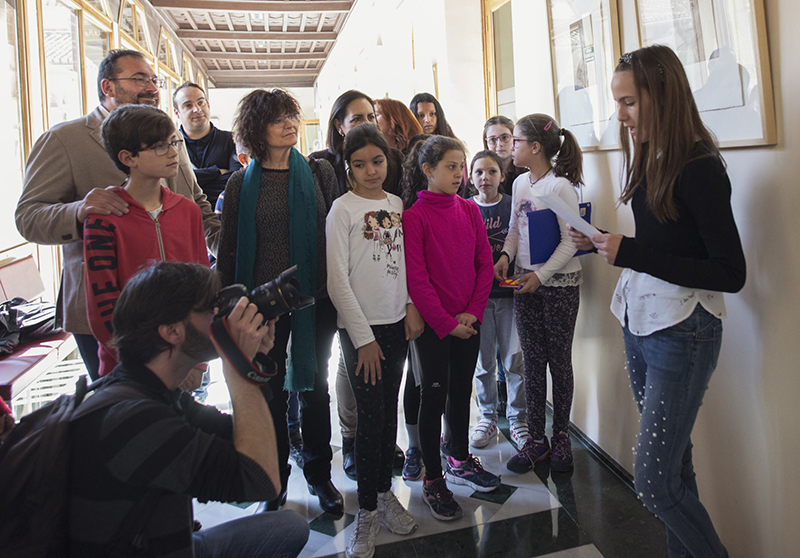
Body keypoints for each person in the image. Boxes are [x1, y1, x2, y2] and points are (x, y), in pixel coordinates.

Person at [569, 45, 746, 558]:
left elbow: (728, 273)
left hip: (683, 330)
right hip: (641, 319)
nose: (619, 117)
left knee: (652, 483)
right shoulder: (651, 155)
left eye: (627, 103)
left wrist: (632, 252)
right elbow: (666, 247)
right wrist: (603, 240)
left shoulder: (700, 166)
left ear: (661, 96)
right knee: (674, 471)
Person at [68, 261, 309, 558]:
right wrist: (236, 367)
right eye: (212, 307)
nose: (223, 315)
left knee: (288, 527)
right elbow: (262, 480)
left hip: (165, 540)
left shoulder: (153, 392)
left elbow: (249, 440)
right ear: (172, 331)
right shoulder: (134, 421)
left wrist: (252, 360)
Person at [15, 49, 219, 381]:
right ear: (108, 86)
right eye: (139, 79)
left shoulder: (169, 136)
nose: (152, 87)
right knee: (123, 414)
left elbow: (196, 203)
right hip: (104, 310)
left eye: (154, 79)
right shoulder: (65, 140)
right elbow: (28, 217)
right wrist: (78, 210)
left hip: (176, 307)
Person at [216, 88, 343, 514]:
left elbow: (334, 237)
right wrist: (227, 308)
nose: (290, 123)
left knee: (314, 389)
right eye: (278, 119)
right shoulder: (239, 183)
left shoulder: (318, 172)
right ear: (256, 130)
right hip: (262, 306)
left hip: (313, 299)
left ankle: (320, 475)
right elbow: (230, 247)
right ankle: (274, 482)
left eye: (292, 115)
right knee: (269, 393)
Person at [326, 124, 423, 558]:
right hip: (361, 332)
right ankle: (365, 512)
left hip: (396, 324)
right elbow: (336, 282)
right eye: (360, 164)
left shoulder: (398, 204)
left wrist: (410, 307)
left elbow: (404, 266)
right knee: (369, 419)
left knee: (388, 416)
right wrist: (362, 339)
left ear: (389, 161)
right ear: (348, 168)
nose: (371, 171)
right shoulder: (341, 211)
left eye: (378, 161)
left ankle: (384, 495)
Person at [403, 135, 498, 521]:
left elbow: (484, 265)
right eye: (451, 166)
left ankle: (459, 458)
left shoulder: (470, 210)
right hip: (435, 328)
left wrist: (472, 314)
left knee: (461, 392)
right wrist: (445, 323)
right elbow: (417, 279)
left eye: (461, 166)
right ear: (428, 170)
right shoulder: (415, 216)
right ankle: (433, 479)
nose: (460, 174)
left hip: (467, 323)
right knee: (434, 396)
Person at [83, 104, 209, 377]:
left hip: (184, 362)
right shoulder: (104, 219)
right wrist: (141, 364)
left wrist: (197, 360)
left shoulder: (187, 210)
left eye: (174, 143)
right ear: (129, 157)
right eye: (160, 146)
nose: (174, 152)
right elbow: (102, 305)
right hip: (128, 369)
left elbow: (203, 289)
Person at [495, 113, 584, 474]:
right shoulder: (518, 184)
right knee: (531, 361)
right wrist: (505, 256)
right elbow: (515, 229)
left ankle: (560, 435)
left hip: (558, 285)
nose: (509, 146)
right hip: (524, 282)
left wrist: (542, 277)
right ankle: (536, 438)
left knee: (558, 361)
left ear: (535, 147)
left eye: (515, 140)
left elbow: (571, 242)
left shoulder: (560, 188)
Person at [467, 150, 529, 450]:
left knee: (513, 360)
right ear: (470, 177)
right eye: (479, 172)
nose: (485, 178)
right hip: (477, 300)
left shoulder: (511, 207)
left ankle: (517, 419)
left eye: (491, 171)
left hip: (509, 296)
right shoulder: (464, 208)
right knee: (483, 363)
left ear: (502, 176)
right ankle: (487, 416)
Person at [310, 90, 403, 197]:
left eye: (371, 117)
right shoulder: (320, 164)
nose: (367, 124)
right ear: (339, 126)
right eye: (357, 119)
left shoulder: (396, 159)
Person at [173, 82, 242, 210]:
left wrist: (190, 181)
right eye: (188, 105)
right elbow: (171, 182)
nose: (197, 109)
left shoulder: (232, 140)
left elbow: (235, 180)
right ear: (177, 113)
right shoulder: (171, 146)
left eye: (201, 103)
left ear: (208, 105)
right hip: (183, 216)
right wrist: (216, 171)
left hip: (224, 215)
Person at [482, 115, 523, 195]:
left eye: (504, 138)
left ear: (514, 139)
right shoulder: (479, 176)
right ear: (486, 143)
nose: (499, 144)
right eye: (493, 139)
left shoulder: (526, 176)